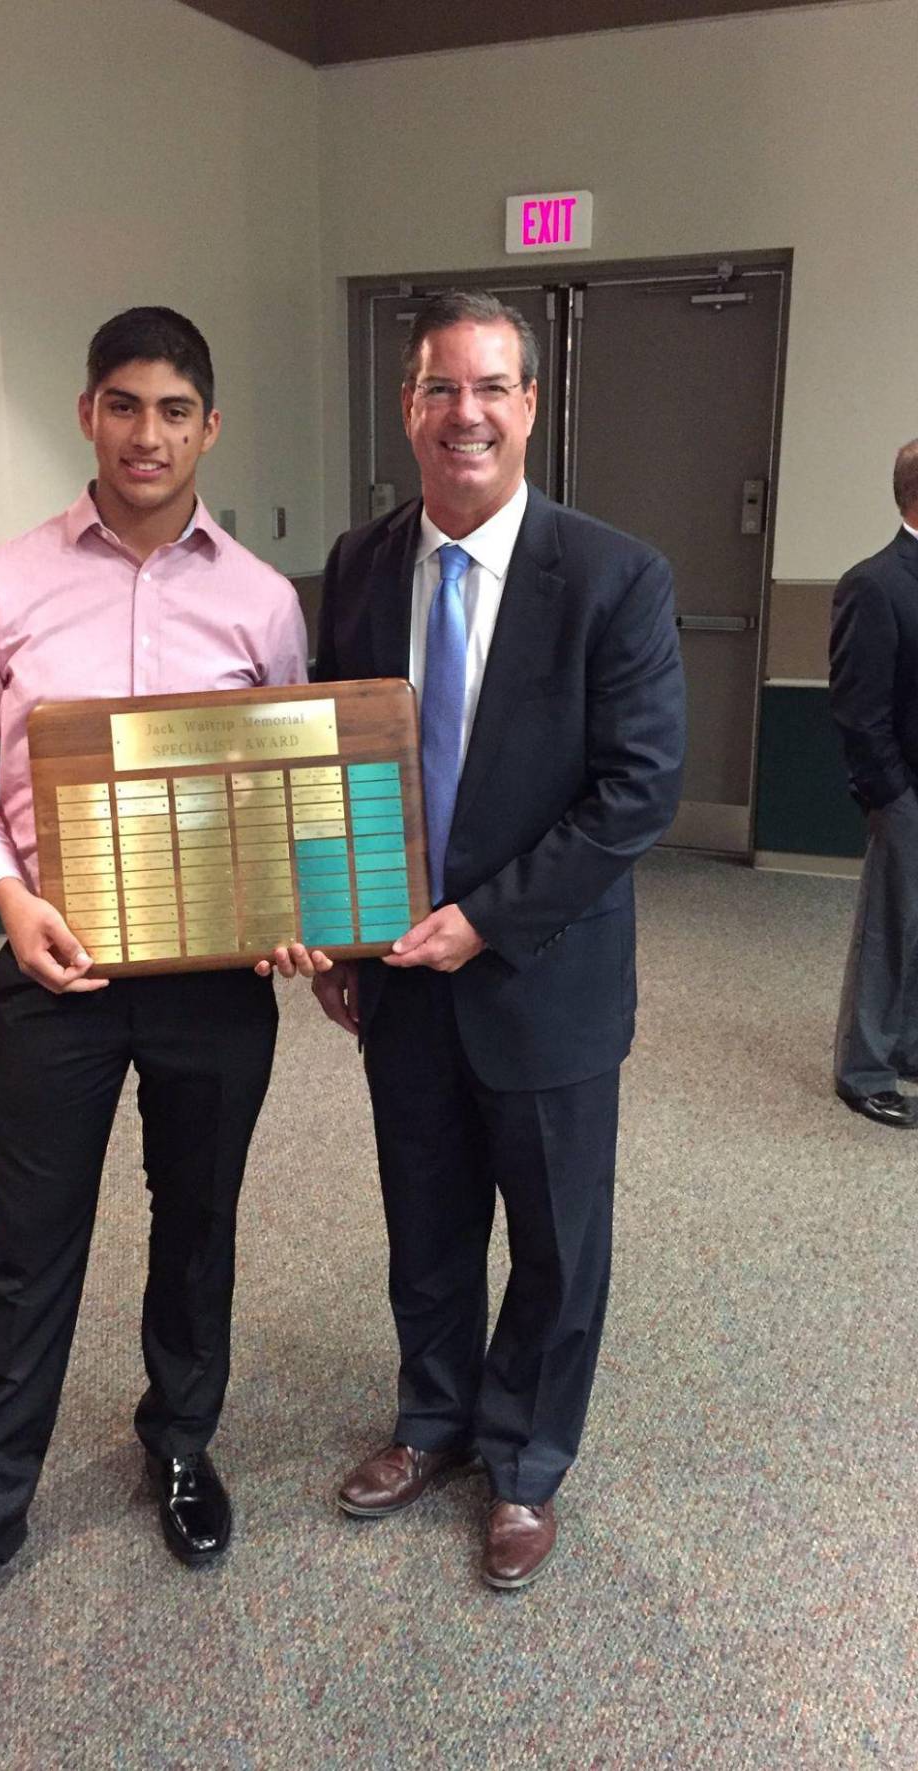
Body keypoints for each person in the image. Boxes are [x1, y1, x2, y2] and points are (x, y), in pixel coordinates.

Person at [0, 307, 308, 1664]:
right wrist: (12, 896)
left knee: (198, 1221)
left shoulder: (259, 599)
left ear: (207, 424)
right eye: (124, 405)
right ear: (88, 413)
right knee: (31, 1247)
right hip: (52, 971)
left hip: (210, 988)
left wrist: (292, 916)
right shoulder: (6, 583)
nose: (148, 433)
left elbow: (293, 788)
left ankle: (180, 1444)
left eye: (175, 409)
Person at [310, 290, 685, 1589]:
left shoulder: (615, 574)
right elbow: (339, 765)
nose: (464, 412)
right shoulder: (360, 567)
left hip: (547, 975)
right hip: (404, 977)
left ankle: (525, 1458)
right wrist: (344, 937)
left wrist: (488, 917)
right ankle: (432, 1417)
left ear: (530, 406)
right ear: (406, 406)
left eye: (491, 387)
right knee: (425, 1213)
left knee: (556, 1233)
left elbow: (638, 791)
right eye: (437, 388)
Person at [830, 439, 918, 1128]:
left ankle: (908, 1044)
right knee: (889, 929)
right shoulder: (877, 582)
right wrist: (891, 796)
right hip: (904, 791)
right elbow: (859, 709)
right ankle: (863, 1068)